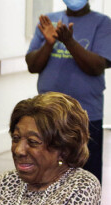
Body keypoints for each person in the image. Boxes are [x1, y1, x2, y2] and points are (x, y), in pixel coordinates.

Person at [25, 0, 111, 183]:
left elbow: (96, 67)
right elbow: (32, 65)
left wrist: (69, 42)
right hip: (48, 114)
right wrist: (49, 44)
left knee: (85, 177)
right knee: (47, 173)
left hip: (86, 114)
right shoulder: (49, 21)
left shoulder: (103, 23)